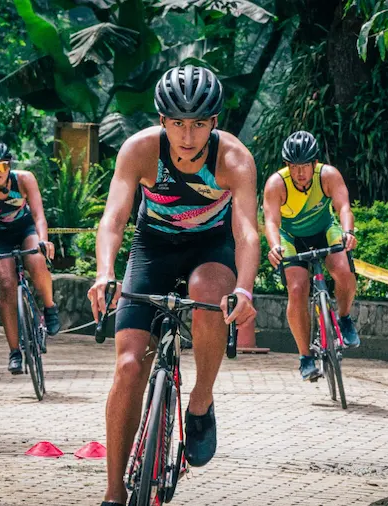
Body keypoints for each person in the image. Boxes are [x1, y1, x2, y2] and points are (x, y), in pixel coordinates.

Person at [87, 65, 260, 506]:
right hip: (153, 248)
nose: (187, 136)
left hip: (211, 248)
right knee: (129, 366)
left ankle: (201, 401)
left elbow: (246, 233)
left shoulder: (234, 158)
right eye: (178, 124)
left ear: (213, 123)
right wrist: (104, 272)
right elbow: (114, 218)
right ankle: (113, 492)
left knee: (207, 290)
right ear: (162, 120)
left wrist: (244, 290)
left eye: (198, 124)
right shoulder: (140, 150)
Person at [262, 130, 360, 382]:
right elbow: (271, 221)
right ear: (287, 165)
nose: (300, 173)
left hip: (324, 230)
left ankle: (344, 318)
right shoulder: (276, 184)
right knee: (296, 289)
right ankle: (305, 357)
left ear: (314, 163)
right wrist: (274, 247)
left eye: (305, 166)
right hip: (291, 238)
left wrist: (348, 232)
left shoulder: (328, 175)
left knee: (343, 270)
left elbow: (343, 207)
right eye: (294, 167)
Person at [0, 141, 61, 373]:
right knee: (7, 284)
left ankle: (49, 307)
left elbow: (39, 215)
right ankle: (14, 352)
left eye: (1, 166)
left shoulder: (24, 179)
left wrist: (43, 239)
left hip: (25, 229)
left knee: (36, 260)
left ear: (9, 165)